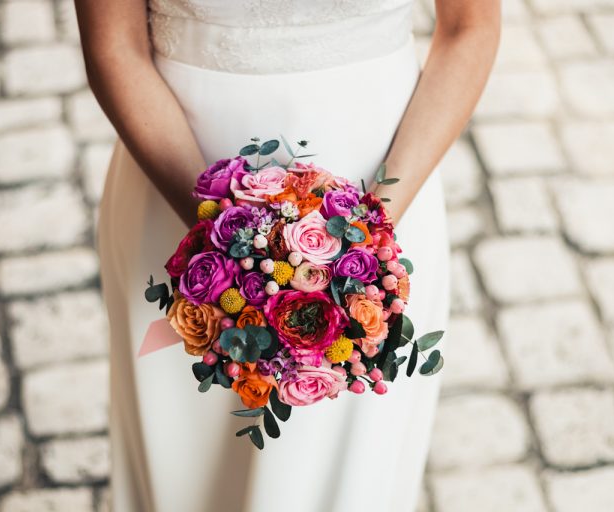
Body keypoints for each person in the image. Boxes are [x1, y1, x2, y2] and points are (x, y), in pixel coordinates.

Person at [75, 1, 500, 510]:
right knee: (184, 470)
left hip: (387, 189)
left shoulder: (373, 241)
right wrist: (224, 246)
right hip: (175, 178)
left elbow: (469, 29)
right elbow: (114, 45)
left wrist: (365, 239)